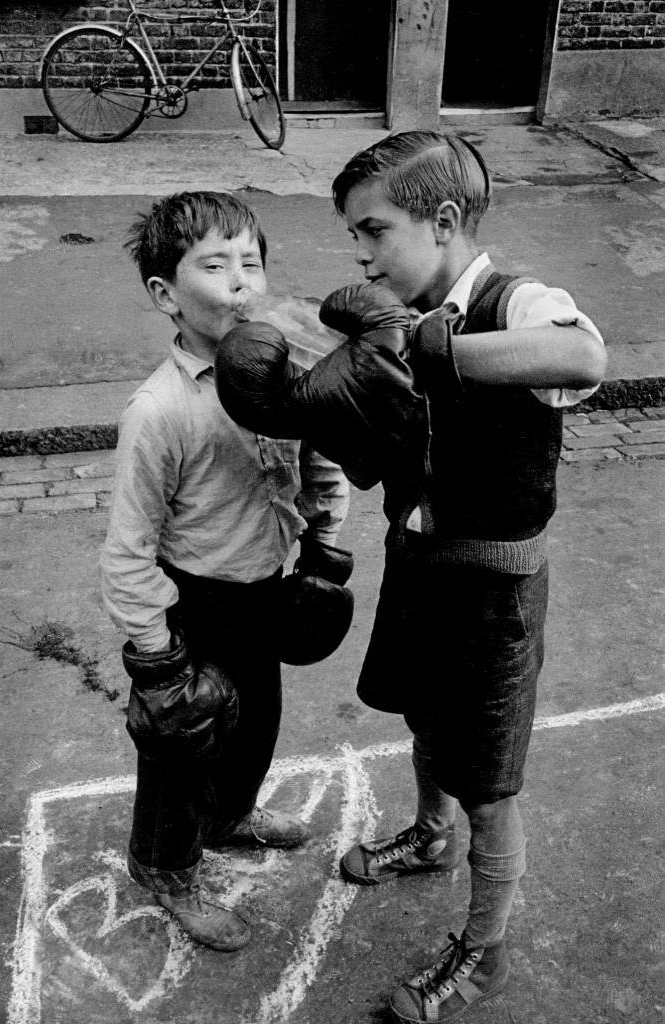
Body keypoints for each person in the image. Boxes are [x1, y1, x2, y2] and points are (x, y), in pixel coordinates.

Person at [211, 132, 607, 1020]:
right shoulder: (384, 325)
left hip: (495, 594)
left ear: (443, 220)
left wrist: (431, 353)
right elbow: (367, 451)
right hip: (417, 569)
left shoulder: (518, 301)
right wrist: (321, 415)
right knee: (424, 717)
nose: (360, 252)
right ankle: (429, 837)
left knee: (491, 783)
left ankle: (484, 952)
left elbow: (584, 358)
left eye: (373, 230)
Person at [100, 191, 350, 953]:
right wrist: (157, 659)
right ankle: (164, 862)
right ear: (166, 295)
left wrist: (325, 537)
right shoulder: (161, 410)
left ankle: (232, 814)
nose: (242, 280)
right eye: (216, 264)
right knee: (183, 746)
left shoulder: (280, 376)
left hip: (266, 590)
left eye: (253, 261)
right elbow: (127, 550)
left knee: (254, 729)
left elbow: (318, 454)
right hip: (194, 601)